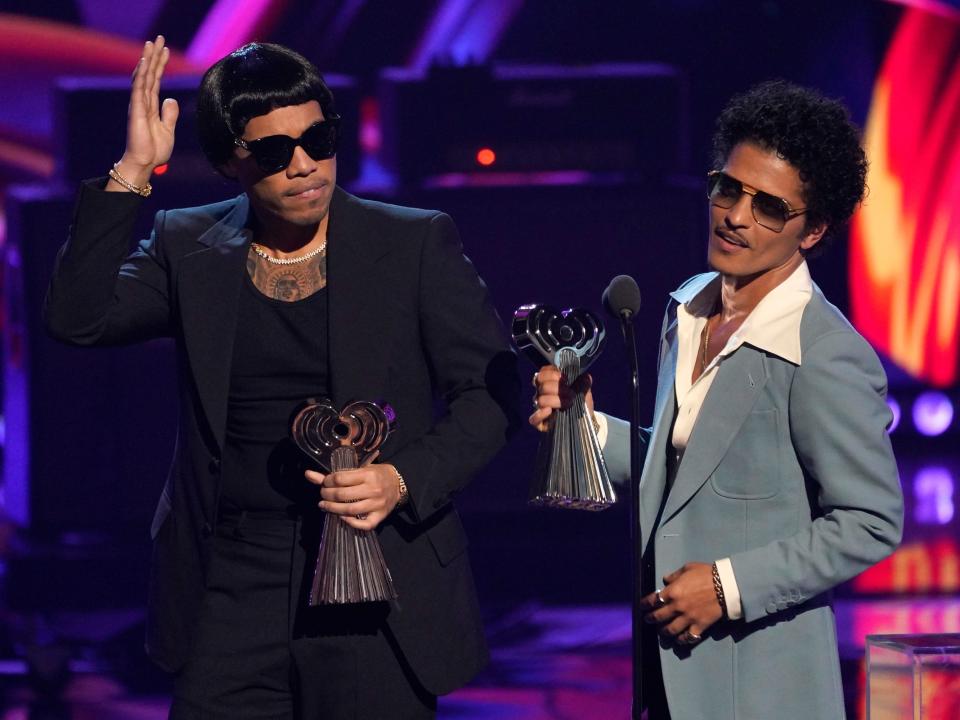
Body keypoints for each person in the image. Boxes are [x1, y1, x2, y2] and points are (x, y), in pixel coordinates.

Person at [44, 37, 518, 719]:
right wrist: (133, 172)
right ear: (230, 163)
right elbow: (77, 319)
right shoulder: (187, 244)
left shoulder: (413, 242)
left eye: (318, 139)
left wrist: (402, 478)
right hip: (231, 580)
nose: (303, 166)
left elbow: (489, 397)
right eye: (272, 152)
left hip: (373, 573)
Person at [530, 80, 903, 720]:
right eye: (728, 188)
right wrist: (583, 428)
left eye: (769, 207)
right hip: (668, 675)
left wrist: (729, 587)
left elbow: (871, 521)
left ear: (812, 231)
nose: (735, 215)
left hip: (762, 683)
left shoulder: (823, 352)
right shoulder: (690, 305)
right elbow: (686, 467)